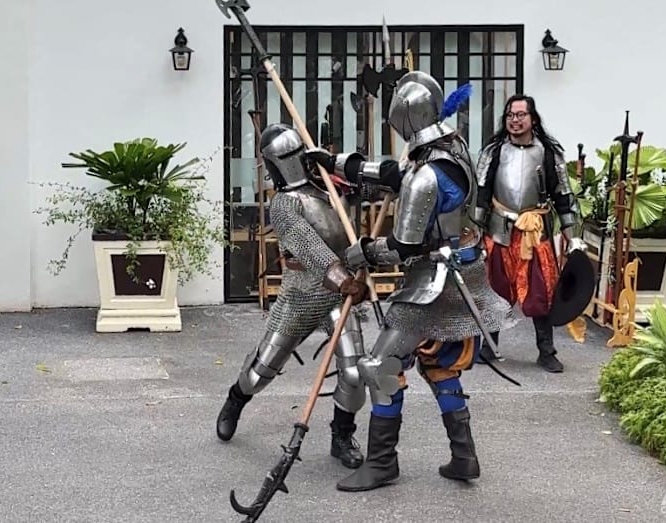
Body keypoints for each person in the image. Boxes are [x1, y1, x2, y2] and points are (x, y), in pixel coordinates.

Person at [306, 71, 514, 491]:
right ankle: (464, 456)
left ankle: (382, 462)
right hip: (463, 269)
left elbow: (403, 246)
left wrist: (362, 252)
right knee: (438, 364)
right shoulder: (452, 150)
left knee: (380, 365)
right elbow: (391, 173)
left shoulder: (425, 177)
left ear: (403, 118)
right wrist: (334, 162)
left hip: (434, 283)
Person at [216, 122, 380, 469]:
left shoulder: (332, 186)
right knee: (260, 372)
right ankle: (236, 398)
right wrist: (342, 281)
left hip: (341, 293)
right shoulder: (284, 204)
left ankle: (341, 435)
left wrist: (338, 164)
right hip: (302, 293)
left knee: (353, 373)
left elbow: (377, 185)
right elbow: (309, 247)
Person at [473, 94, 585, 372]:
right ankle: (488, 347)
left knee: (540, 292)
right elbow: (481, 195)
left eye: (521, 115)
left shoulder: (548, 152)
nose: (515, 120)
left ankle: (546, 351)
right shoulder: (493, 151)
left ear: (532, 119)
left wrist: (573, 238)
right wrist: (475, 234)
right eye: (511, 115)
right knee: (495, 291)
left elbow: (563, 197)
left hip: (535, 234)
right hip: (499, 232)